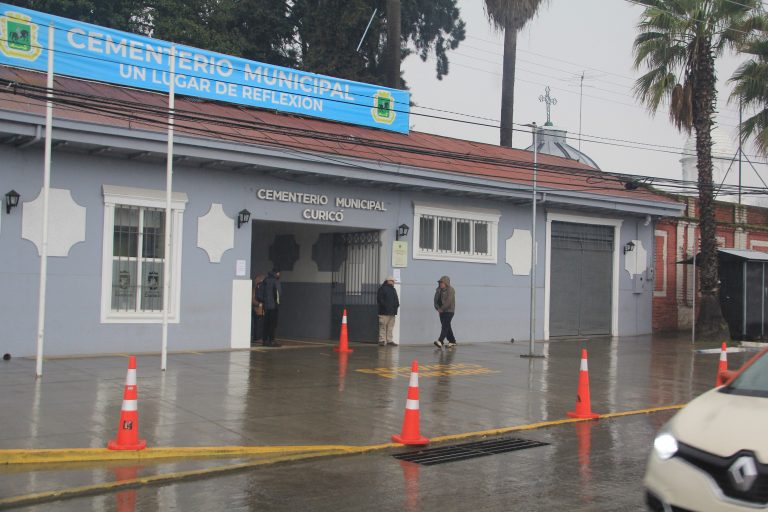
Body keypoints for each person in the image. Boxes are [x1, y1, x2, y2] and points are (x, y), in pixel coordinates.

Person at [260, 268, 282, 347]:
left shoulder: (265, 280)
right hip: (273, 306)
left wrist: (264, 301)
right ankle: (272, 341)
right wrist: (278, 303)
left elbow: (260, 294)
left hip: (266, 306)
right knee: (273, 324)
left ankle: (264, 340)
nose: (279, 275)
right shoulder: (275, 281)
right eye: (279, 273)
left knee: (266, 323)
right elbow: (278, 293)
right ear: (276, 273)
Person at [433, 275, 456, 349]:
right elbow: (435, 300)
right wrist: (437, 308)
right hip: (441, 311)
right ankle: (452, 341)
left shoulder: (451, 290)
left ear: (446, 283)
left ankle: (440, 341)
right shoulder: (438, 290)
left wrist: (442, 308)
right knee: (447, 326)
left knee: (445, 326)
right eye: (440, 282)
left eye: (442, 282)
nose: (440, 284)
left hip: (449, 311)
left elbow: (449, 301)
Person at [376, 276, 400, 346]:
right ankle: (382, 340)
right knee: (383, 326)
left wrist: (396, 306)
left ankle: (389, 341)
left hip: (392, 313)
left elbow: (396, 300)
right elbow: (380, 300)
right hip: (384, 312)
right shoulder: (382, 289)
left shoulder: (393, 289)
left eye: (394, 281)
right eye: (392, 281)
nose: (394, 282)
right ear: (388, 281)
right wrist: (386, 307)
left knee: (390, 327)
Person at [251, 274, 265, 345]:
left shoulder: (258, 289)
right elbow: (252, 300)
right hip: (257, 310)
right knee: (258, 324)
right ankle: (257, 338)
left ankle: (259, 338)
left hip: (260, 310)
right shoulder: (255, 289)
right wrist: (259, 304)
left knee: (260, 324)